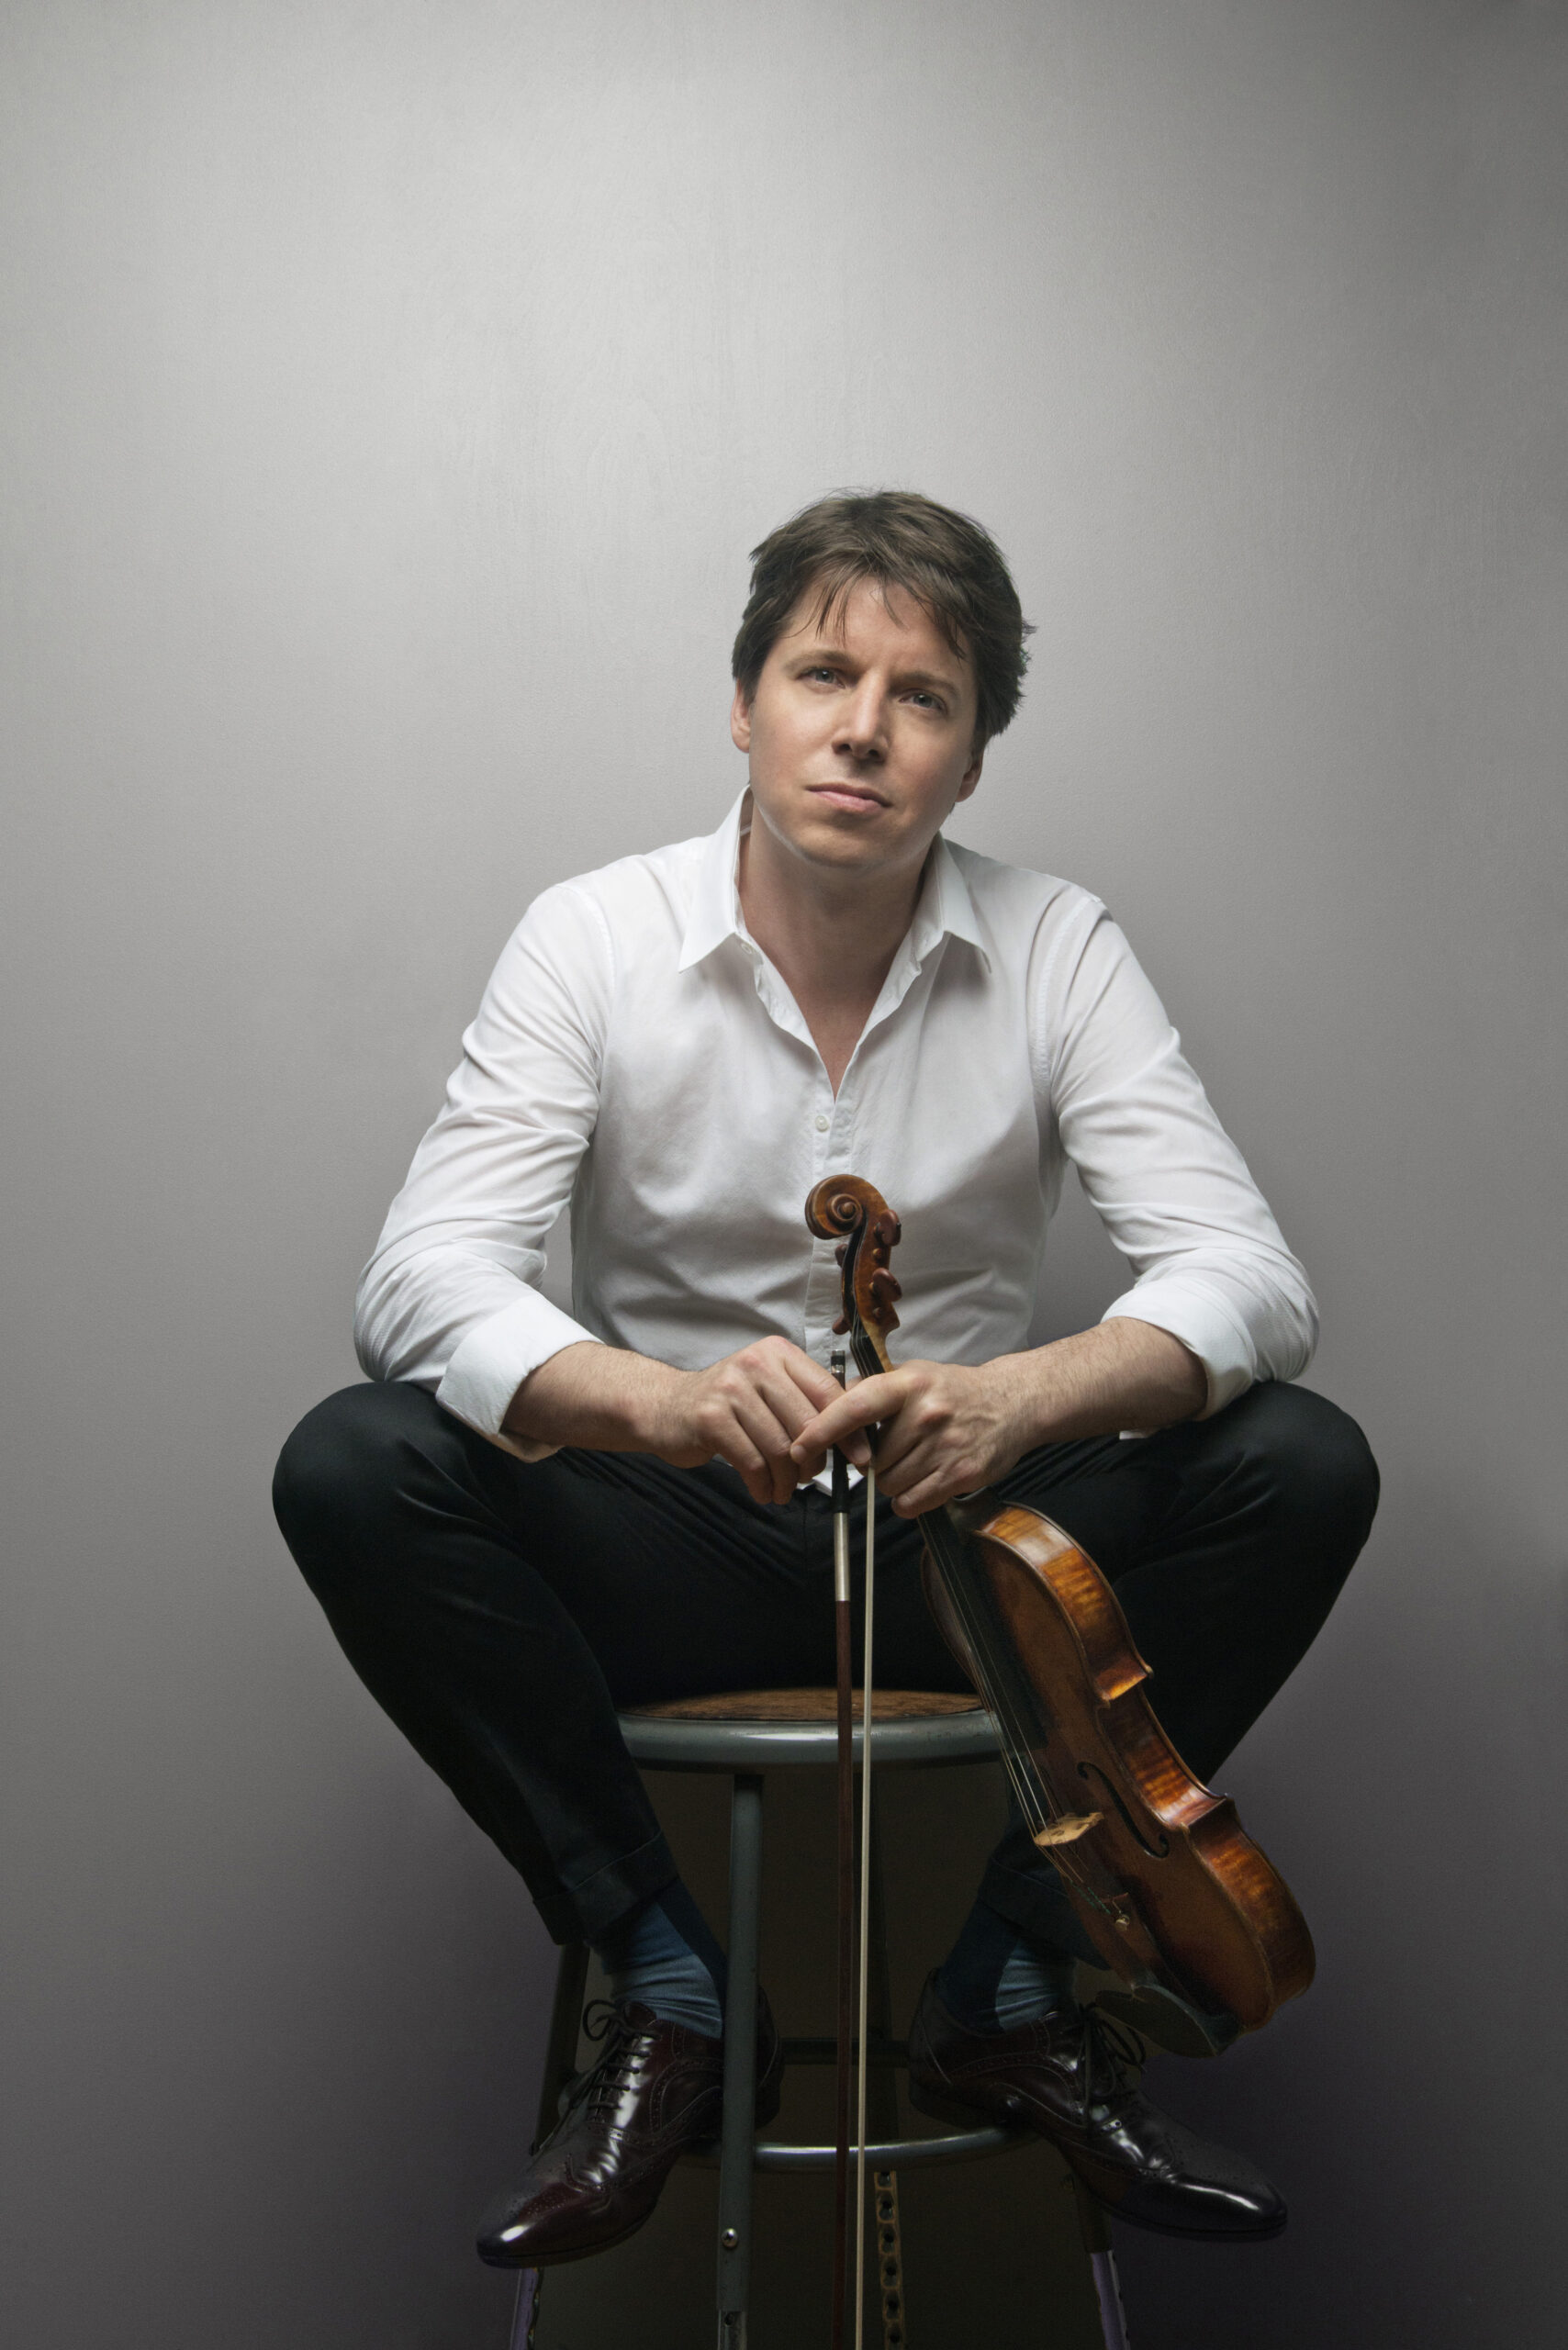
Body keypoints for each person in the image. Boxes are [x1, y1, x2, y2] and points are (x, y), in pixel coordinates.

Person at [273, 490, 1378, 2267]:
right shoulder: (592, 936)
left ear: (969, 757)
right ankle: (666, 1980)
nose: (863, 727)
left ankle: (1009, 1978)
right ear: (743, 704)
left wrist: (1018, 1400)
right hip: (677, 1544)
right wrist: (661, 1405)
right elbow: (418, 1279)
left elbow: (1249, 1277)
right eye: (820, 674)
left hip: (958, 1561)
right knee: (352, 1462)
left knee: (1304, 1461)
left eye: (921, 696)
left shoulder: (1056, 945)